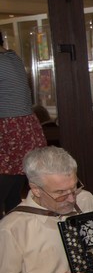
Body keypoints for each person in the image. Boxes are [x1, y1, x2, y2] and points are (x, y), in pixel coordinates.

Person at [1, 33, 47, 216]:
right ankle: (15, 229)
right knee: (13, 191)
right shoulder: (13, 58)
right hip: (24, 127)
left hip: (8, 129)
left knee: (7, 184)